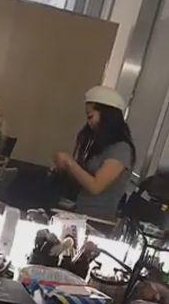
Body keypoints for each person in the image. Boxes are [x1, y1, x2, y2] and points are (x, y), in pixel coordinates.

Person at [53, 86, 136, 221]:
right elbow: (85, 180)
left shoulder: (121, 149)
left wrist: (70, 162)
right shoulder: (102, 145)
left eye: (90, 116)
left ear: (107, 116)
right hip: (80, 212)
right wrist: (66, 168)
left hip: (97, 219)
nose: (88, 122)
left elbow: (95, 186)